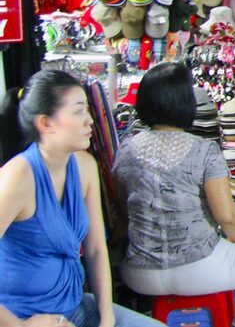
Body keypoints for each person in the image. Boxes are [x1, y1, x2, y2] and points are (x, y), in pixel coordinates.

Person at [115, 64, 235, 327]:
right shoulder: (203, 150)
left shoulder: (125, 150)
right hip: (199, 268)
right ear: (186, 103)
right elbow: (226, 217)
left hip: (139, 273)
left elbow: (124, 209)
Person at [0, 70, 165, 327]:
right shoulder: (17, 177)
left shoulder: (84, 166)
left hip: (73, 307)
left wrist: (106, 317)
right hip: (24, 317)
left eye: (87, 110)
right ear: (46, 123)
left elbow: (96, 250)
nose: (90, 121)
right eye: (78, 111)